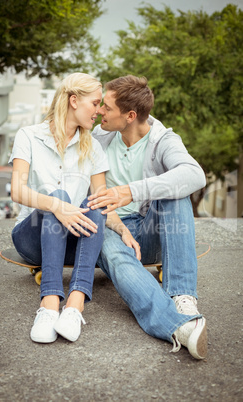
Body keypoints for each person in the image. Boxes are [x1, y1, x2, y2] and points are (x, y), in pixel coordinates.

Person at [9, 73, 140, 344]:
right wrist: (57, 205)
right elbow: (18, 191)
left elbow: (101, 203)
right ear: (73, 101)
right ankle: (49, 304)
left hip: (70, 238)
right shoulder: (29, 136)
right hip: (31, 237)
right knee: (59, 197)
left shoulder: (92, 147)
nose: (99, 111)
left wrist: (123, 230)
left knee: (93, 204)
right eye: (95, 103)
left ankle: (74, 305)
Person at [88, 75, 208, 359]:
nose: (100, 112)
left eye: (106, 107)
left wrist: (132, 191)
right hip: (113, 231)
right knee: (105, 240)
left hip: (151, 233)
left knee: (177, 190)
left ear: (130, 116)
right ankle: (179, 328)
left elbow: (195, 174)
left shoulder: (163, 139)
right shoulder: (99, 137)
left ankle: (182, 296)